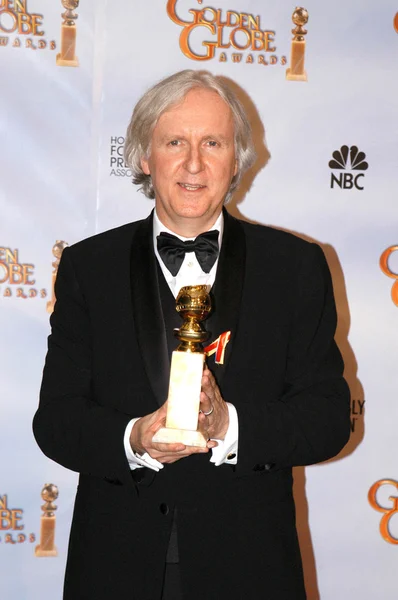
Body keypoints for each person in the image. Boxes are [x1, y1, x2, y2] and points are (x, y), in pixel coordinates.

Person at [33, 70, 350, 600]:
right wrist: (133, 438)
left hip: (251, 565)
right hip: (114, 564)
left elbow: (328, 418)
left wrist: (230, 426)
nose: (194, 164)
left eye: (213, 143)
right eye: (175, 142)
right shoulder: (89, 267)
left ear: (237, 159)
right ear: (143, 157)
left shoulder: (296, 267)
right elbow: (57, 420)